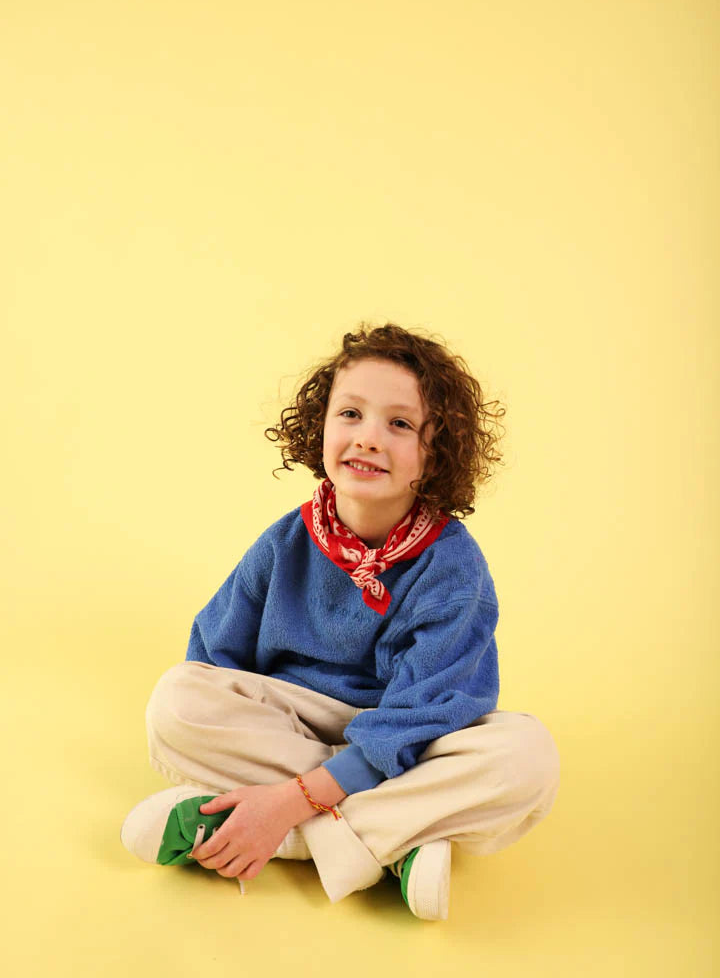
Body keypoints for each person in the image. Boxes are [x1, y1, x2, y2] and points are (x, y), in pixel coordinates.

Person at [120, 322, 560, 920]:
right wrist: (226, 723)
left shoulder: (453, 566)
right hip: (294, 724)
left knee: (528, 756)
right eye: (350, 414)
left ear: (435, 452)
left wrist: (289, 800)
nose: (368, 439)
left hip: (411, 735)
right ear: (321, 426)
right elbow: (214, 660)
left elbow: (426, 711)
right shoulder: (287, 539)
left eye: (399, 424)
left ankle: (275, 829)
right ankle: (395, 837)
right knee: (177, 699)